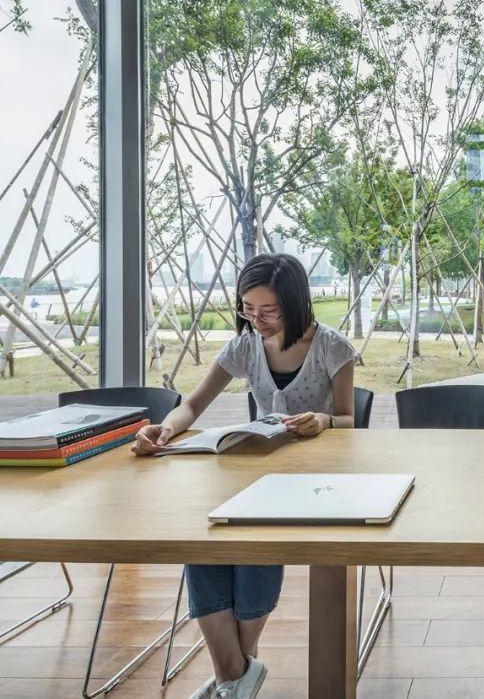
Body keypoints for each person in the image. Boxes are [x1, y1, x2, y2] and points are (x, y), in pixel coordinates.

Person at [131, 253, 356, 699]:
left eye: (268, 311)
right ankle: (236, 676)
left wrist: (324, 420)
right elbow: (192, 405)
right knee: (203, 540)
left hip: (315, 481)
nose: (256, 320)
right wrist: (165, 429)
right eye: (248, 309)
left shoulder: (333, 347)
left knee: (255, 539)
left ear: (296, 303)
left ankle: (231, 677)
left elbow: (350, 420)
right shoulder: (245, 346)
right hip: (257, 470)